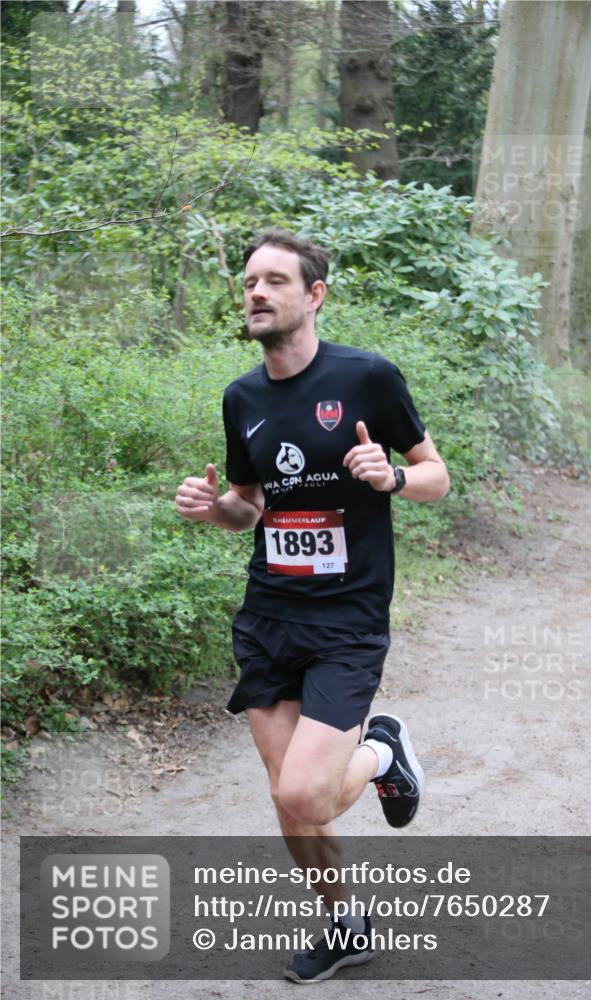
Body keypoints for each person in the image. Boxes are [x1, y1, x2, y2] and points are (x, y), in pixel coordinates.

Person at [175, 229, 450, 982]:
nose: (256, 293)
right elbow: (250, 507)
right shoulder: (242, 397)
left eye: (273, 281)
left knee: (306, 791)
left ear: (313, 295)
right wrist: (213, 510)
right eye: (248, 282)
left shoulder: (366, 378)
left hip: (346, 618)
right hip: (268, 614)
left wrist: (389, 477)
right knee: (288, 800)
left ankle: (382, 751)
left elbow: (436, 476)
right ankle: (343, 924)